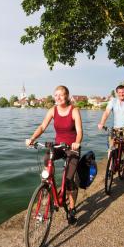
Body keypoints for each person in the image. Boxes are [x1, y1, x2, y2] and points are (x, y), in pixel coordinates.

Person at [26, 85, 83, 225]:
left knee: (69, 180)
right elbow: (42, 127)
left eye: (61, 95)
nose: (57, 97)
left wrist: (77, 142)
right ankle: (48, 183)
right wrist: (32, 139)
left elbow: (80, 130)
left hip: (72, 148)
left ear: (67, 96)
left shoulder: (74, 110)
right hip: (58, 146)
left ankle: (72, 208)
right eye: (55, 95)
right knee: (46, 158)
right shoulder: (53, 110)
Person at [97, 85, 124, 163]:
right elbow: (106, 112)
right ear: (116, 93)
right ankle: (111, 167)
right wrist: (101, 123)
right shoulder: (113, 101)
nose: (121, 94)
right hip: (116, 128)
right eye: (119, 92)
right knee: (112, 146)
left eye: (123, 92)